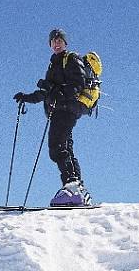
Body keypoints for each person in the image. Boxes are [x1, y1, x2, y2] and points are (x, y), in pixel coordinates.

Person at [13, 28, 92, 206]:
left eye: (59, 40)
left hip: (67, 109)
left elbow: (78, 84)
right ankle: (76, 189)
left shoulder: (70, 59)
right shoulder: (53, 64)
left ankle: (72, 186)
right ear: (50, 44)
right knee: (65, 147)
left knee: (56, 146)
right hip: (59, 110)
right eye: (53, 41)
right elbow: (46, 93)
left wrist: (60, 94)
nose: (56, 43)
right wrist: (26, 98)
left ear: (65, 43)